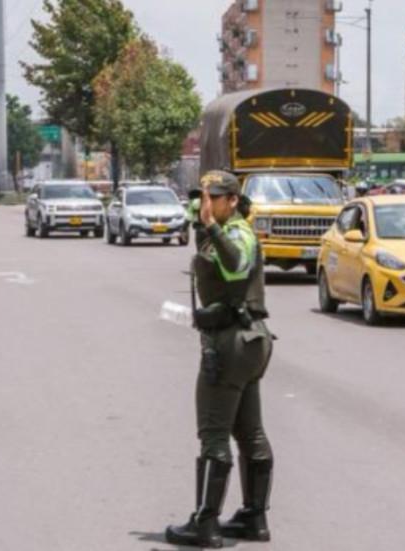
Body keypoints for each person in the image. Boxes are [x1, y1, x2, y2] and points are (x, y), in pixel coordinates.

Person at [166, 171, 275, 548]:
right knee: (249, 431)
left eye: (215, 197)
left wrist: (211, 227)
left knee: (213, 433)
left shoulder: (237, 232)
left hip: (233, 343)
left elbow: (236, 266)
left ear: (232, 200)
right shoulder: (222, 229)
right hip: (246, 341)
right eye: (203, 197)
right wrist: (204, 225)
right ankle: (253, 517)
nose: (206, 204)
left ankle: (205, 522)